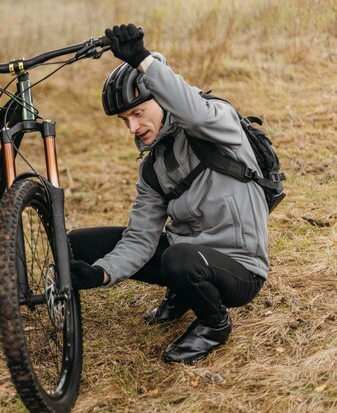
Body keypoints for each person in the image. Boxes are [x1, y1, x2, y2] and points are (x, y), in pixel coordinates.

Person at [68, 24, 268, 363]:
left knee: (180, 258)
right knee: (79, 242)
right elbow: (139, 240)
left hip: (239, 268)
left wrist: (143, 60)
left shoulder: (217, 125)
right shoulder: (153, 168)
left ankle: (213, 324)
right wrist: (102, 272)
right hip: (189, 257)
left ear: (162, 99)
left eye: (137, 113)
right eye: (123, 119)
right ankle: (184, 291)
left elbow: (192, 110)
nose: (133, 127)